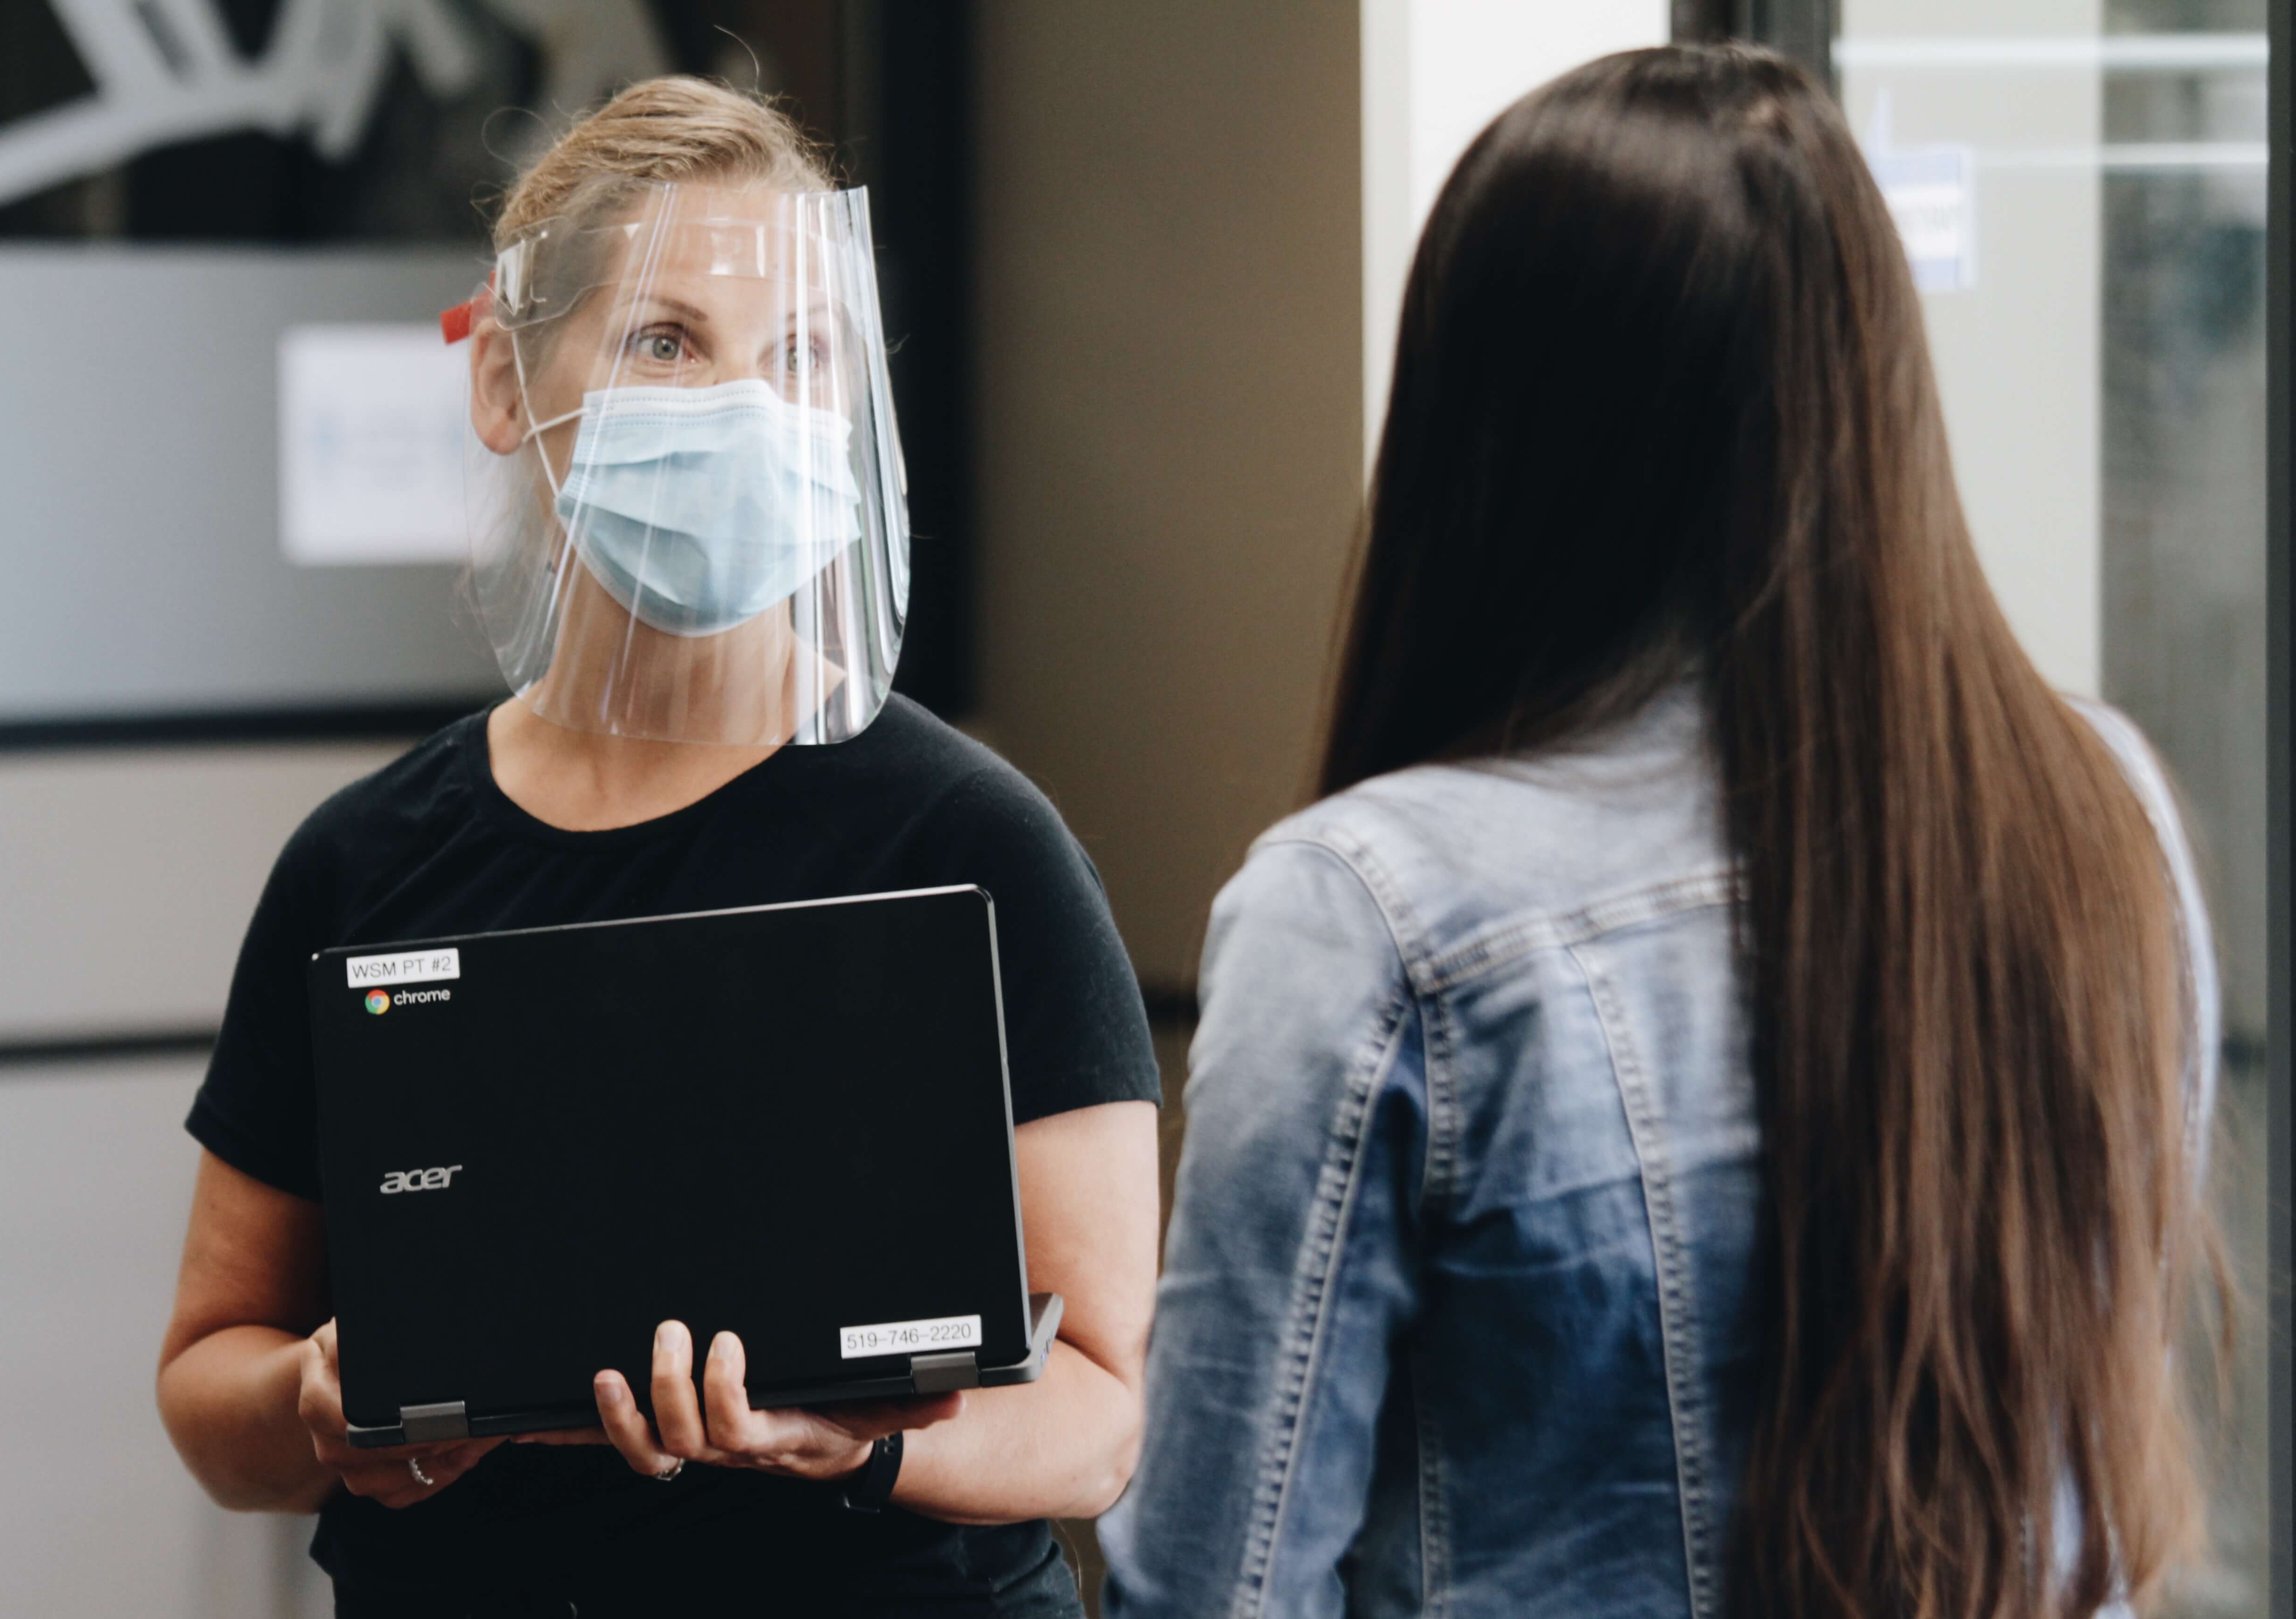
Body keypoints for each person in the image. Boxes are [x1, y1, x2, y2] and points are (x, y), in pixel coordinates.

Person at [1101, 44, 2219, 1619]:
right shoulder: (2101, 823)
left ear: (1482, 434)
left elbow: (1217, 1587)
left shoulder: (1370, 911)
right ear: (1876, 395)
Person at [156, 77, 1161, 1618]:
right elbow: (210, 1385)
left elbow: (1098, 1411)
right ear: (507, 384)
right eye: (667, 342)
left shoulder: (973, 846)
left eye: (799, 356)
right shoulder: (363, 866)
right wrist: (319, 1400)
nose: (744, 409)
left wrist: (854, 1450)